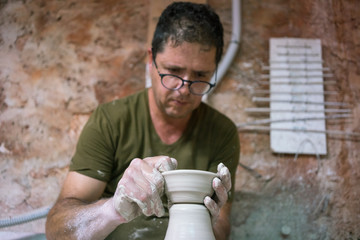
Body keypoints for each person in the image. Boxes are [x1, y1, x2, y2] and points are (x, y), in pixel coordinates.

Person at [45, 2, 240, 240]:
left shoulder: (222, 132)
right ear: (151, 60)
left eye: (200, 75)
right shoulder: (110, 121)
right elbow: (57, 231)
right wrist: (113, 210)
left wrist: (212, 220)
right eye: (173, 71)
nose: (183, 90)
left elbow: (221, 230)